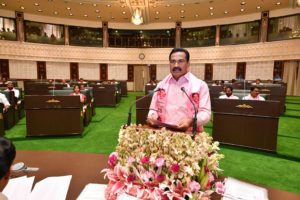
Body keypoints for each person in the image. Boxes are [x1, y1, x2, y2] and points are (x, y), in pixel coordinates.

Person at [147, 48, 211, 132]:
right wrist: (152, 116)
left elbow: (206, 113)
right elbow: (153, 109)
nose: (176, 65)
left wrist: (191, 121)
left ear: (188, 64)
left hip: (189, 133)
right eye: (173, 61)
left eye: (180, 61)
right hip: (164, 133)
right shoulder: (161, 85)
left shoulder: (200, 86)